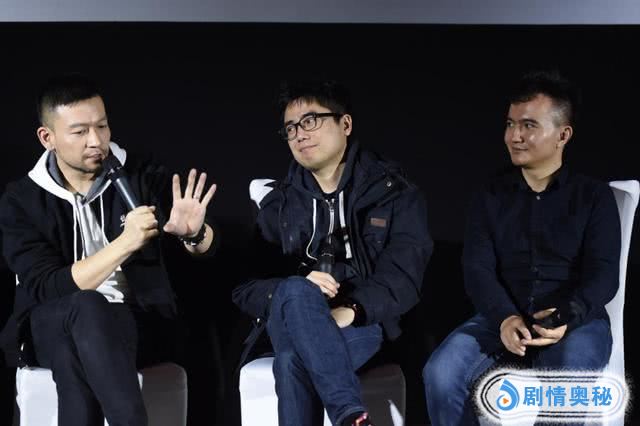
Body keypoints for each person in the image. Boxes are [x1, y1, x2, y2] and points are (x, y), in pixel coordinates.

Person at [0, 73, 218, 425]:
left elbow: (206, 247)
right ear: (47, 138)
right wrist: (125, 243)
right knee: (85, 307)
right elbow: (47, 288)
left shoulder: (140, 175)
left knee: (74, 353)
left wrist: (195, 236)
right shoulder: (22, 200)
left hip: (133, 322)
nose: (96, 141)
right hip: (50, 323)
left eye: (102, 126)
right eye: (80, 131)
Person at [422, 70, 621, 425]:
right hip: (501, 317)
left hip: (572, 322)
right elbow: (477, 269)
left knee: (565, 382)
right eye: (510, 124)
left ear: (563, 135)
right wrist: (504, 317)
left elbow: (604, 275)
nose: (514, 136)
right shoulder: (489, 196)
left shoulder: (593, 196)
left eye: (528, 125)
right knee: (441, 372)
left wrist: (567, 316)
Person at [232, 80, 432, 426]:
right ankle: (351, 416)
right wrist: (296, 292)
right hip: (288, 322)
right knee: (296, 288)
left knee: (293, 361)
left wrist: (351, 309)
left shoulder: (393, 192)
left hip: (361, 323)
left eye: (310, 121)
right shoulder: (279, 205)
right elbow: (246, 287)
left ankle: (349, 416)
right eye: (291, 128)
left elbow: (403, 276)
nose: (299, 134)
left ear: (345, 124)